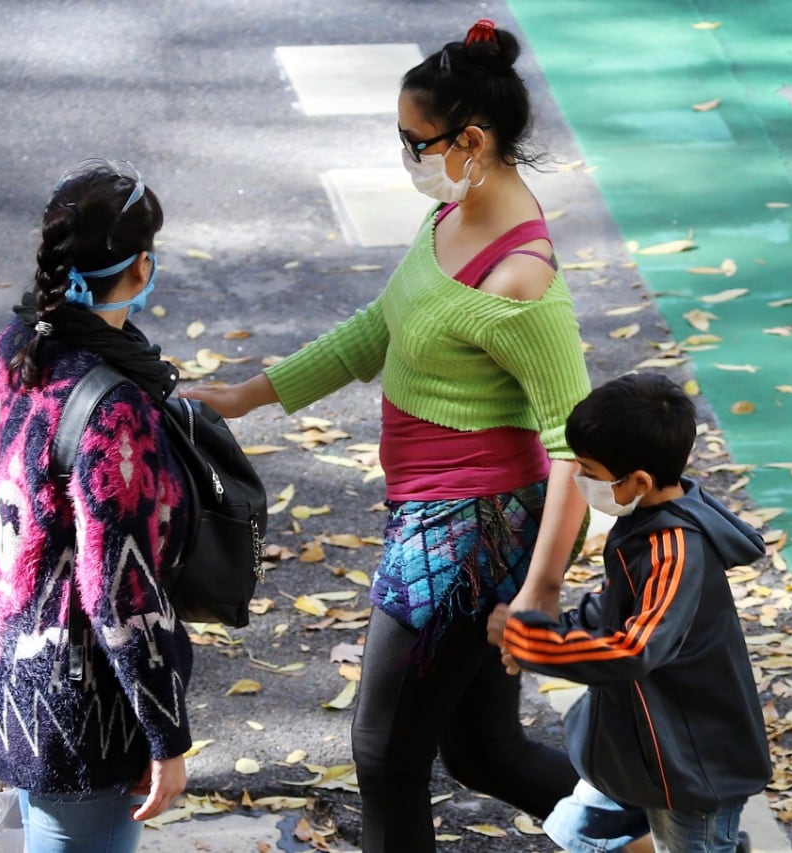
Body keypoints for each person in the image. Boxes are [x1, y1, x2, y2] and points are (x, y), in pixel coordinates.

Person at [182, 19, 591, 851]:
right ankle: (646, 831)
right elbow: (383, 326)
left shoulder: (522, 282)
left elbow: (573, 450)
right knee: (484, 748)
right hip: (428, 514)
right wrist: (246, 396)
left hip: (465, 534)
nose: (406, 156)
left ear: (471, 139)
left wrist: (538, 591)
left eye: (416, 141)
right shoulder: (458, 205)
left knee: (385, 755)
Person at [0, 158, 192, 853]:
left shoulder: (14, 346)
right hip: (76, 711)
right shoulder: (111, 405)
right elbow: (117, 588)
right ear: (142, 269)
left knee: (35, 833)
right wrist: (165, 733)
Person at [494, 372, 771, 853]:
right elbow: (611, 610)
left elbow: (632, 648)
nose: (579, 480)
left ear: (638, 481)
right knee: (575, 832)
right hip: (637, 747)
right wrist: (549, 630)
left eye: (589, 471)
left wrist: (532, 641)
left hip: (689, 762)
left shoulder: (676, 549)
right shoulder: (643, 523)